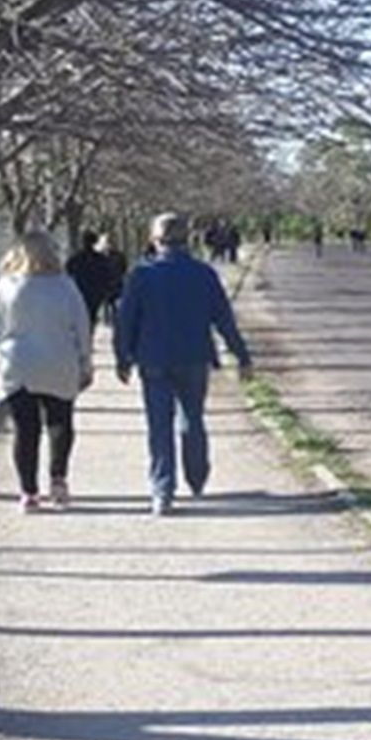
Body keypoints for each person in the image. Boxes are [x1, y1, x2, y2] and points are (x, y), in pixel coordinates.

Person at [115, 212, 254, 515]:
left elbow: (126, 319)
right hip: (194, 355)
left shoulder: (142, 274)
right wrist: (241, 355)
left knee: (159, 424)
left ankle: (162, 490)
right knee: (192, 417)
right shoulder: (203, 274)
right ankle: (197, 476)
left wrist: (122, 357)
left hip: (153, 358)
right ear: (187, 239)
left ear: (154, 240)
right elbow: (224, 319)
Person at [0, 230, 93, 511]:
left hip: (18, 364)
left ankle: (28, 492)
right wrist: (85, 363)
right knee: (60, 423)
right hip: (59, 361)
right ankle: (58, 480)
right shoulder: (66, 286)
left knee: (25, 430)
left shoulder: (7, 286)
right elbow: (82, 327)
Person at [65, 231, 120, 328]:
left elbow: (67, 272)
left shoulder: (76, 259)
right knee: (91, 318)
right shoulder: (101, 259)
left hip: (81, 293)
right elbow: (108, 275)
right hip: (95, 294)